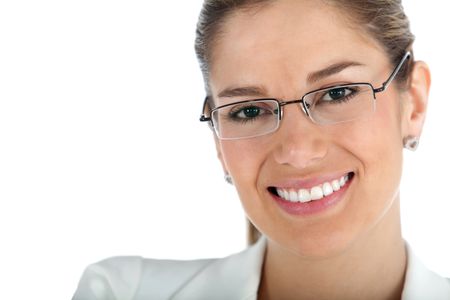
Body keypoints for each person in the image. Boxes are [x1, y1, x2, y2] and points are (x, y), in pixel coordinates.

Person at [73, 0, 450, 299]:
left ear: (413, 103)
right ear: (218, 140)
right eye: (249, 111)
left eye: (337, 94)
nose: (298, 151)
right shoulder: (120, 292)